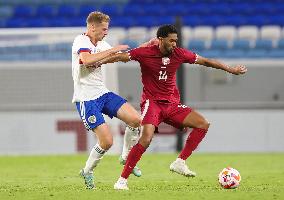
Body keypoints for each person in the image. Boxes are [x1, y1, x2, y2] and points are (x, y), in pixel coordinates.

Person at [98, 24, 247, 190]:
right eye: (171, 41)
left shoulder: (179, 53)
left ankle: (180, 162)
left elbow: (206, 61)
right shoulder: (145, 53)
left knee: (203, 124)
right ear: (161, 40)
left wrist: (231, 70)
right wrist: (97, 61)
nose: (175, 44)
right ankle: (121, 181)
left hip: (171, 105)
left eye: (176, 41)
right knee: (145, 139)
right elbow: (120, 57)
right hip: (152, 103)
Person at [72, 11, 147, 189]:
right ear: (92, 27)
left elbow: (118, 56)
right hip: (86, 99)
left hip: (102, 93)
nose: (106, 32)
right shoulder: (81, 41)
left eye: (107, 29)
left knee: (136, 120)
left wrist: (145, 48)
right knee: (107, 141)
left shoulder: (102, 44)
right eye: (104, 29)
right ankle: (88, 171)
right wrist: (112, 50)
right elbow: (87, 60)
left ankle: (126, 156)